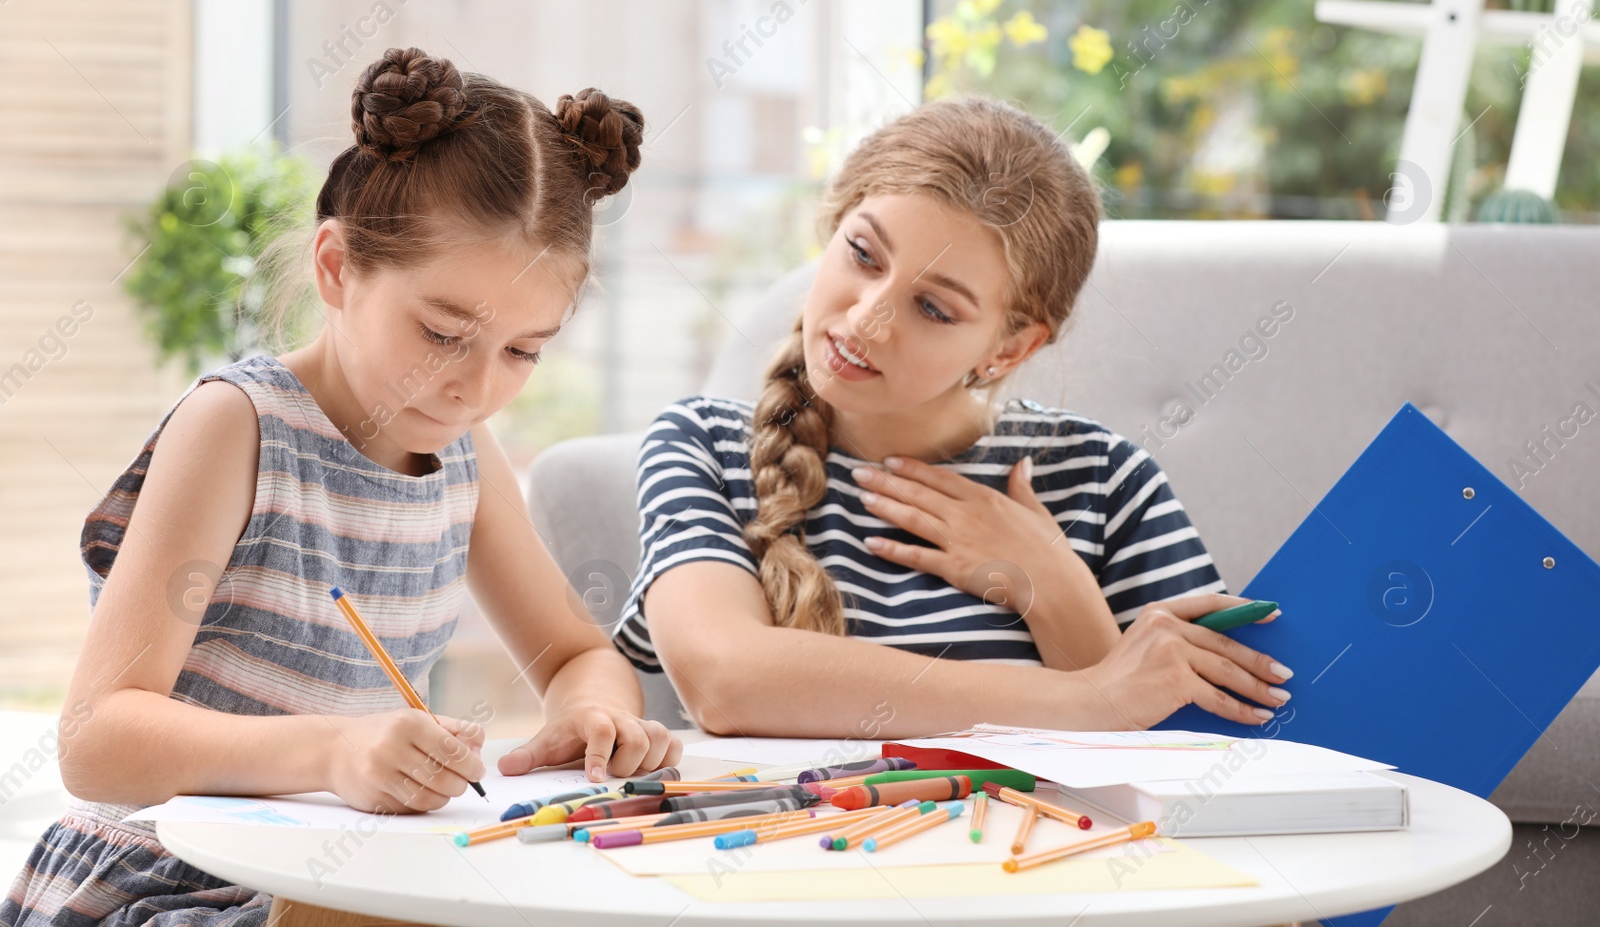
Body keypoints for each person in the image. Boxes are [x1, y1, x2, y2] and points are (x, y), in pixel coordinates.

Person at [4, 48, 679, 926]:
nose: (475, 390)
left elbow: (572, 653)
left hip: (338, 872)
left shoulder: (464, 454)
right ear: (335, 267)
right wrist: (334, 747)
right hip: (170, 871)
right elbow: (95, 741)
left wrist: (596, 717)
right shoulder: (238, 426)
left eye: (523, 350)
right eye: (442, 333)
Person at [614, 96, 1292, 738]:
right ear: (836, 221)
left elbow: (1194, 748)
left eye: (934, 308)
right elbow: (727, 680)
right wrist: (1092, 697)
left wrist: (1054, 588)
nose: (866, 319)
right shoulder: (703, 444)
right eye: (863, 254)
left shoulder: (1107, 484)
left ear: (1010, 347)